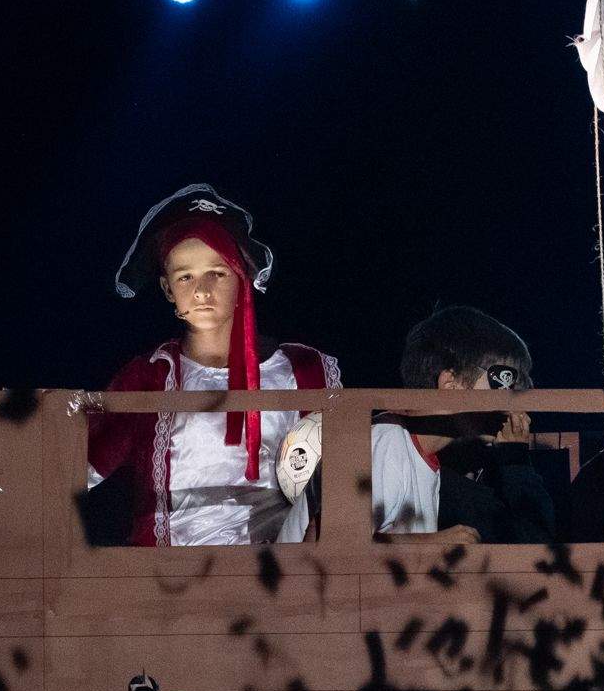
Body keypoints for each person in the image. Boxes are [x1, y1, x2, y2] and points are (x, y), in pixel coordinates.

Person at [87, 184, 341, 547]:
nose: (201, 291)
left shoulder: (304, 369)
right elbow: (83, 463)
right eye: (185, 276)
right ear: (167, 288)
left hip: (280, 574)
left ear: (242, 277)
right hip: (174, 579)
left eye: (217, 273)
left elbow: (344, 473)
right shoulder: (151, 377)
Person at [372, 305, 553, 544]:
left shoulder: (427, 459)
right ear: (451, 385)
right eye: (502, 383)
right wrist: (433, 544)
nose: (511, 403)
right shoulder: (389, 440)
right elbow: (340, 547)